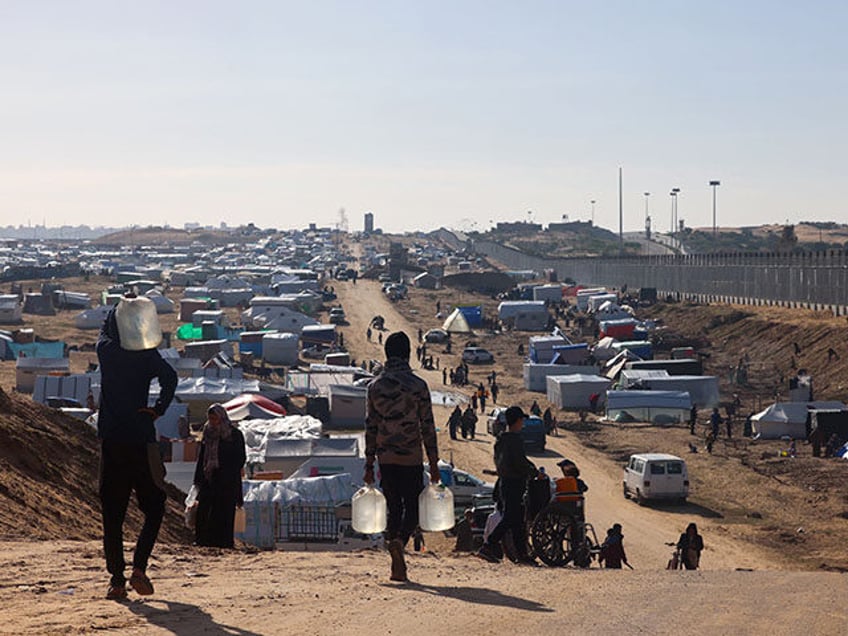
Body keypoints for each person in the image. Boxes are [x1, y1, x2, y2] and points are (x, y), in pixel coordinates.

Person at [96, 297, 178, 600]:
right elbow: (170, 377)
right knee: (155, 506)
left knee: (113, 514)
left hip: (113, 441)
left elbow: (106, 332)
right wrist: (158, 409)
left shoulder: (105, 350)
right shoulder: (146, 354)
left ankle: (117, 581)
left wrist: (117, 311)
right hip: (141, 441)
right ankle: (140, 567)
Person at [364, 331, 440, 582]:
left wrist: (368, 462)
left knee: (393, 507)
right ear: (408, 353)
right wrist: (434, 461)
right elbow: (427, 425)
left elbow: (371, 427)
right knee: (413, 508)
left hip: (386, 458)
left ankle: (395, 555)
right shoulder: (418, 386)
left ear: (387, 354)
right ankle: (400, 541)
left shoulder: (374, 387)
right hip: (411, 456)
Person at [476, 406, 538, 565]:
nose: (523, 423)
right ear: (518, 421)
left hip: (505, 482)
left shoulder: (501, 440)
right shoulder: (515, 440)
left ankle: (522, 555)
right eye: (522, 420)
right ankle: (488, 545)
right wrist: (533, 472)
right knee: (511, 517)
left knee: (517, 521)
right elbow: (519, 462)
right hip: (514, 483)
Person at [193, 404, 246, 548]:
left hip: (227, 481)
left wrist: (227, 470)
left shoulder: (234, 434)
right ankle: (203, 541)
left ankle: (224, 542)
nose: (212, 421)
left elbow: (240, 458)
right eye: (210, 418)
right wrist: (198, 478)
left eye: (215, 418)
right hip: (209, 478)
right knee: (204, 511)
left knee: (224, 511)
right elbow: (202, 456)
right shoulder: (208, 432)